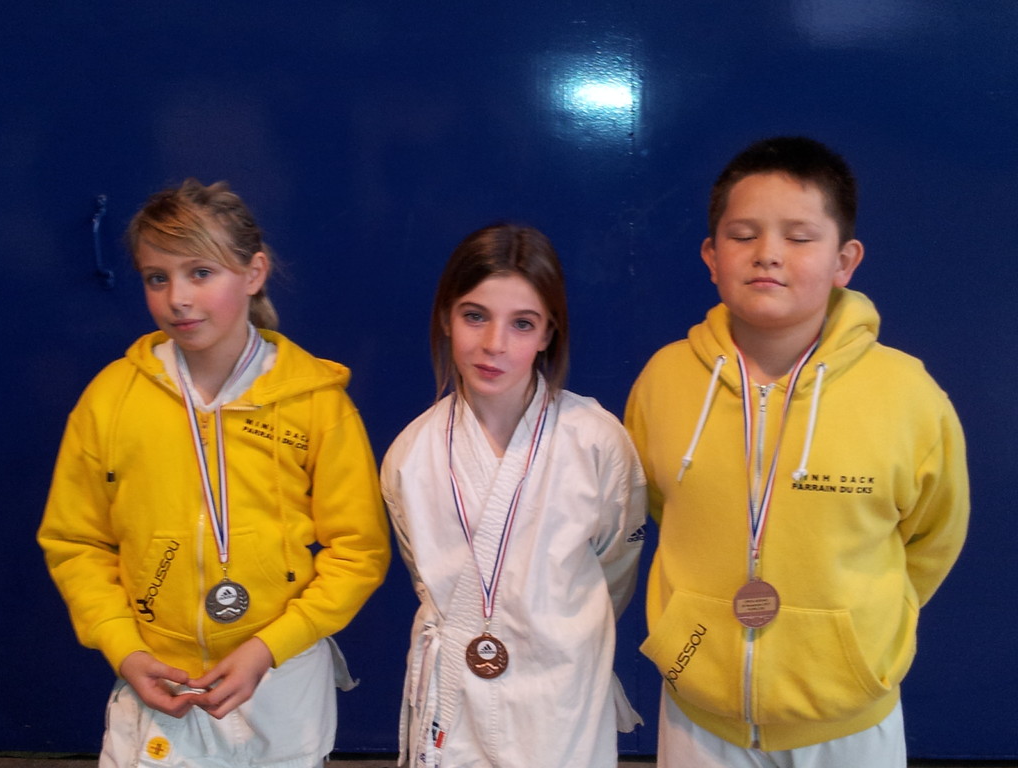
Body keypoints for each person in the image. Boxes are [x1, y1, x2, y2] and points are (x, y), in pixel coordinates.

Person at [624, 137, 969, 768]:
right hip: (699, 712)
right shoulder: (665, 380)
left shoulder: (907, 394)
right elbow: (660, 506)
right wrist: (689, 639)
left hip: (847, 719)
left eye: (800, 237)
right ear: (711, 256)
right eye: (743, 234)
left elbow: (933, 537)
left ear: (844, 260)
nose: (768, 254)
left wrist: (850, 646)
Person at [38, 179, 390, 768]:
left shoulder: (315, 402)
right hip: (159, 674)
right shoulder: (111, 400)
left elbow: (359, 551)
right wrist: (123, 648)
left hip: (280, 675)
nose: (177, 297)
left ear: (254, 273)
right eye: (157, 278)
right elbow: (75, 542)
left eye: (201, 273)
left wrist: (269, 647)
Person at [381, 223, 647, 767]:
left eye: (522, 323)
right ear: (446, 318)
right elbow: (421, 571)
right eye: (475, 316)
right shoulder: (411, 455)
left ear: (548, 333)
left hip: (562, 689)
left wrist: (565, 623)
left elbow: (614, 566)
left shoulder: (596, 442)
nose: (494, 344)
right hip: (455, 693)